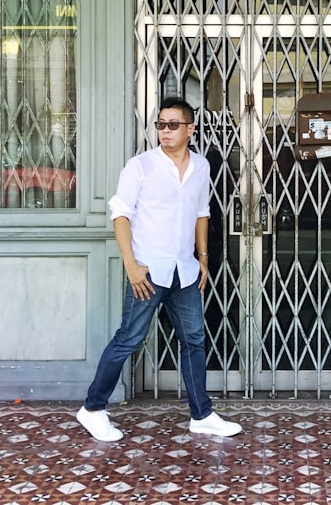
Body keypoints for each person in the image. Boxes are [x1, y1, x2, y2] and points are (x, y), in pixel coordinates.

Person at [76, 96, 242, 441]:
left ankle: (202, 414)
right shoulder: (140, 166)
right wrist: (132, 266)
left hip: (184, 270)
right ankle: (92, 408)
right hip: (148, 270)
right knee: (129, 339)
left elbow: (202, 213)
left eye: (172, 125)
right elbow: (120, 214)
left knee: (194, 339)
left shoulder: (201, 166)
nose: (164, 131)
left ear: (190, 129)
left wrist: (204, 258)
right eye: (160, 125)